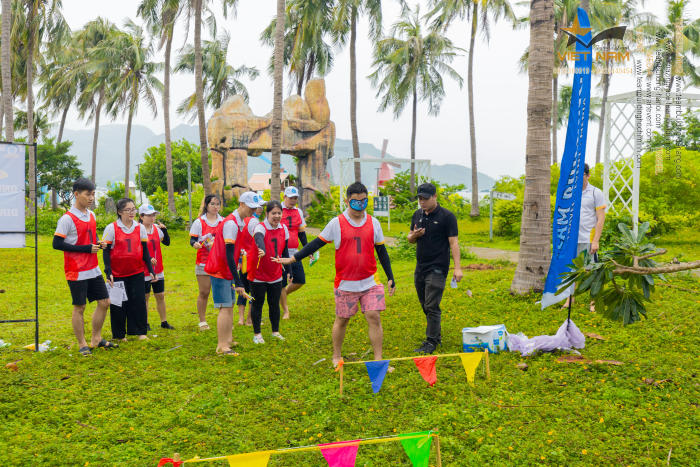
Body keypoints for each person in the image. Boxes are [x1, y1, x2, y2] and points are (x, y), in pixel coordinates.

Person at [275, 182, 395, 367]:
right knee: (342, 320)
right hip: (346, 283)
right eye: (356, 202)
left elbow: (382, 251)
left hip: (370, 281)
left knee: (374, 316)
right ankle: (336, 356)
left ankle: (378, 361)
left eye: (364, 201)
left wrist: (390, 277)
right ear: (347, 201)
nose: (360, 205)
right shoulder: (337, 223)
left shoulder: (374, 223)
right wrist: (293, 259)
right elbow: (315, 244)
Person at [52, 178, 117, 356]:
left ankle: (96, 338)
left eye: (93, 194)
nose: (91, 198)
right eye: (88, 194)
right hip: (76, 270)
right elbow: (56, 244)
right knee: (79, 307)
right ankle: (82, 344)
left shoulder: (92, 215)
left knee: (104, 302)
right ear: (76, 194)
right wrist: (86, 249)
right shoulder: (67, 219)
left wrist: (98, 243)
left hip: (93, 268)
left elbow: (89, 237)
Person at [407, 183, 462, 354]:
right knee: (425, 303)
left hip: (438, 266)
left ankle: (431, 341)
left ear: (435, 197)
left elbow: (454, 242)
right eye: (420, 198)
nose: (422, 202)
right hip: (420, 266)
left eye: (426, 198)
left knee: (432, 304)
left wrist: (458, 268)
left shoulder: (447, 216)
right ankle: (435, 333)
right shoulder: (417, 215)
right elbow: (410, 238)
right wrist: (414, 235)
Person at [204, 191, 262, 355]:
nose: (253, 211)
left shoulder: (239, 221)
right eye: (250, 207)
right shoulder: (231, 224)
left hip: (226, 270)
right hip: (220, 270)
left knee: (229, 306)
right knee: (225, 307)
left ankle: (228, 340)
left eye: (255, 208)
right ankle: (222, 346)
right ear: (241, 204)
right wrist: (238, 281)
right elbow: (228, 254)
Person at [102, 198, 157, 342]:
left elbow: (145, 251)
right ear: (120, 212)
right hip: (118, 274)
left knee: (138, 302)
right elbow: (106, 252)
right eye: (128, 210)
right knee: (118, 304)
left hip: (136, 272)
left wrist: (150, 269)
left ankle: (140, 332)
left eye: (134, 209)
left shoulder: (140, 228)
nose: (132, 212)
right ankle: (119, 335)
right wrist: (108, 272)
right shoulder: (111, 228)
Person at [563, 163, 606, 309]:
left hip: (588, 238)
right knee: (571, 270)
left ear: (587, 175)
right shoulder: (570, 192)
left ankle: (593, 302)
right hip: (572, 239)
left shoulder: (596, 193)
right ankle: (570, 300)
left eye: (580, 174)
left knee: (592, 272)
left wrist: (596, 241)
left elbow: (601, 218)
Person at [251, 200, 292, 343]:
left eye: (279, 213)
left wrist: (289, 270)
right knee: (258, 303)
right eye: (273, 213)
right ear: (267, 214)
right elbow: (259, 238)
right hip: (258, 274)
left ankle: (275, 331)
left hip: (275, 274)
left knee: (274, 303)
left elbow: (285, 251)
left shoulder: (283, 229)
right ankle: (257, 334)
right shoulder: (260, 227)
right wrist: (261, 248)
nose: (276, 216)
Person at [189, 194, 223, 331]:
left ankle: (223, 318)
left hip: (220, 262)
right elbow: (192, 240)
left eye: (217, 204)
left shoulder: (224, 221)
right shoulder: (199, 222)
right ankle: (202, 321)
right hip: (203, 262)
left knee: (221, 292)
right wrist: (195, 244)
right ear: (206, 206)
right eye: (212, 204)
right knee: (204, 292)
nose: (215, 207)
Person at [138, 205, 174, 330]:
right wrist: (147, 259)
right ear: (141, 216)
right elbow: (136, 250)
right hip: (143, 269)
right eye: (149, 215)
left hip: (158, 268)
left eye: (154, 215)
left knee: (160, 295)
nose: (152, 217)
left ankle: (164, 322)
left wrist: (164, 230)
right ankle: (145, 323)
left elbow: (167, 242)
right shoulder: (138, 230)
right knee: (145, 297)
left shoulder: (156, 229)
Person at [279, 186, 308, 319]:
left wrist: (308, 249)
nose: (293, 200)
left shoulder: (298, 212)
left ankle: (281, 294)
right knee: (282, 281)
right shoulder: (277, 209)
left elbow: (301, 233)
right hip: (280, 252)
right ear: (284, 197)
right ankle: (286, 311)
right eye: (291, 198)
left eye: (295, 198)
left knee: (300, 280)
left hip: (294, 252)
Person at [236, 204, 264, 326]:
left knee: (242, 288)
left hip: (241, 260)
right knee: (254, 291)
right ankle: (249, 319)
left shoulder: (240, 220)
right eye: (260, 207)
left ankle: (240, 319)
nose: (261, 209)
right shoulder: (255, 222)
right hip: (252, 261)